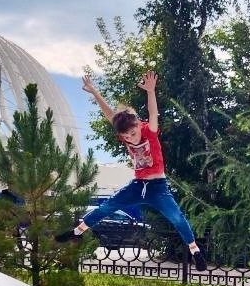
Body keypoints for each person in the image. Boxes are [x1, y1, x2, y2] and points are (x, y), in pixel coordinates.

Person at [57, 70, 207, 271]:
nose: (131, 138)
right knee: (106, 207)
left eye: (133, 133)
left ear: (138, 124)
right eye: (126, 137)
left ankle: (195, 251)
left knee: (176, 217)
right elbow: (110, 115)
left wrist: (150, 91)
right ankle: (76, 232)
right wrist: (94, 92)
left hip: (158, 187)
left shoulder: (149, 131)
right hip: (137, 186)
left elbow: (153, 113)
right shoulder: (124, 133)